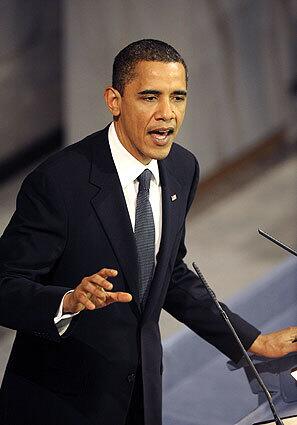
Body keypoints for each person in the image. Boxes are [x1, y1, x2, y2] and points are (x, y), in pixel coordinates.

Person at [0, 39, 296, 425]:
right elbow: (4, 285)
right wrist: (68, 300)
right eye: (150, 97)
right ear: (114, 101)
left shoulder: (182, 169)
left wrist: (252, 340)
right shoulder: (59, 183)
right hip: (62, 404)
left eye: (178, 97)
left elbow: (168, 275)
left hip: (141, 399)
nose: (167, 114)